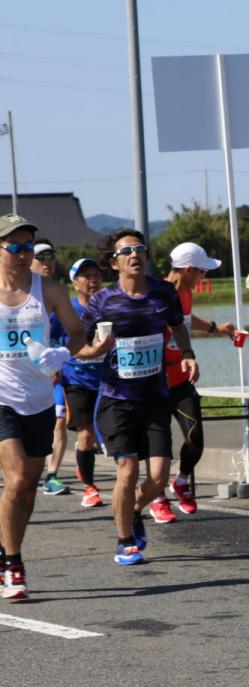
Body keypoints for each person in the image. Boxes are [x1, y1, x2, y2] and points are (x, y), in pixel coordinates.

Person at [82, 229, 197, 566]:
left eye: (140, 249)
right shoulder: (104, 301)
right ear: (114, 262)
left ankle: (133, 508)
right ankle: (125, 540)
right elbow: (80, 344)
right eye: (126, 251)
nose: (135, 255)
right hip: (116, 398)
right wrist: (96, 350)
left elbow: (177, 325)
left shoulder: (163, 293)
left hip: (154, 398)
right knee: (127, 470)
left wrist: (187, 351)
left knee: (159, 477)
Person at [1, 214, 96, 599]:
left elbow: (78, 333)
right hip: (2, 399)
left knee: (27, 491)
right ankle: (13, 565)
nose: (24, 254)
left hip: (39, 399)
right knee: (18, 480)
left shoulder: (49, 290)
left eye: (28, 247)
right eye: (14, 247)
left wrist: (60, 353)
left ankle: (8, 551)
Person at [152, 242, 236, 521]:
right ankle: (159, 497)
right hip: (155, 382)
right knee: (158, 449)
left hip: (181, 378)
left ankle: (182, 482)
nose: (204, 277)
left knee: (195, 438)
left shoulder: (186, 294)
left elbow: (186, 321)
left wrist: (216, 327)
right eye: (201, 271)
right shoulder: (155, 296)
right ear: (187, 270)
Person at [57, 258, 107, 508]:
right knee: (86, 435)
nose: (93, 280)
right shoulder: (67, 309)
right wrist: (53, 364)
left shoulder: (109, 307)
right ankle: (89, 487)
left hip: (107, 380)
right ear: (75, 283)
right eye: (85, 276)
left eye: (96, 274)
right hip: (76, 379)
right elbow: (50, 337)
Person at [31, 240, 71, 496]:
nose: (47, 261)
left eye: (50, 256)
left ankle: (52, 475)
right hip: (16, 378)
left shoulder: (58, 294)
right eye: (41, 256)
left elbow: (75, 335)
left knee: (59, 422)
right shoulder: (10, 296)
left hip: (55, 375)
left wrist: (60, 356)